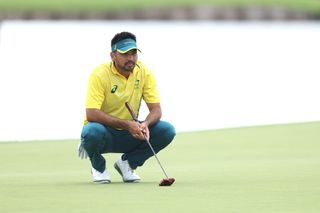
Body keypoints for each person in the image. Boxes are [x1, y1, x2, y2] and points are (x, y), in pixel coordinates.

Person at [78, 31, 176, 184]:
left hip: (131, 133)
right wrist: (127, 124)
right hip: (104, 133)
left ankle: (127, 164)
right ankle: (98, 167)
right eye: (125, 54)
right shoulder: (99, 74)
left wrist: (145, 124)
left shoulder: (144, 71)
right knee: (91, 132)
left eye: (134, 53)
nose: (130, 58)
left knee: (166, 130)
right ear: (113, 56)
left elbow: (156, 110)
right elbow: (91, 114)